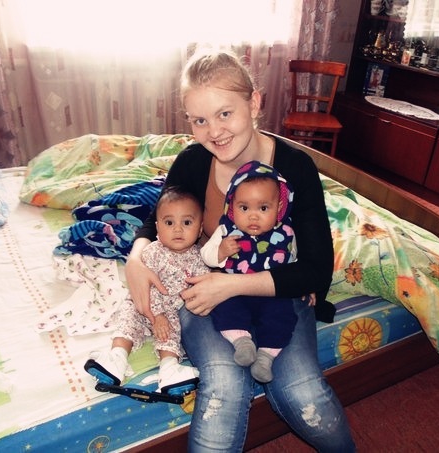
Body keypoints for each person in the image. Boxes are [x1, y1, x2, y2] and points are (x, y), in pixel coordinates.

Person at [125, 51, 356, 452]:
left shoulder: (295, 168)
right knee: (225, 385)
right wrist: (135, 257)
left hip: (277, 293)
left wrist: (231, 285)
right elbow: (155, 218)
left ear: (254, 103)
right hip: (205, 295)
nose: (213, 131)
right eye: (199, 120)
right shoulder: (193, 162)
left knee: (304, 394)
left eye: (225, 113)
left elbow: (317, 270)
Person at [85, 186, 208, 393]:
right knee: (128, 314)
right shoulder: (152, 251)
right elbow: (146, 286)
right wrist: (156, 315)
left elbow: (202, 284)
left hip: (171, 310)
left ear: (200, 228)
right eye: (169, 223)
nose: (178, 229)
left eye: (187, 223)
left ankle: (169, 368)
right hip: (146, 304)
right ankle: (116, 358)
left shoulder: (199, 257)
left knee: (171, 331)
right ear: (157, 227)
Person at [200, 160, 305, 383]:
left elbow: (295, 261)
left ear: (279, 207)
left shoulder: (286, 234)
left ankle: (266, 357)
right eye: (244, 208)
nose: (253, 216)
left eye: (263, 208)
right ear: (231, 206)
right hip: (234, 291)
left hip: (272, 294)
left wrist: (303, 286)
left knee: (283, 317)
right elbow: (205, 255)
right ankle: (242, 342)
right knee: (225, 308)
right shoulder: (227, 231)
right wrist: (220, 251)